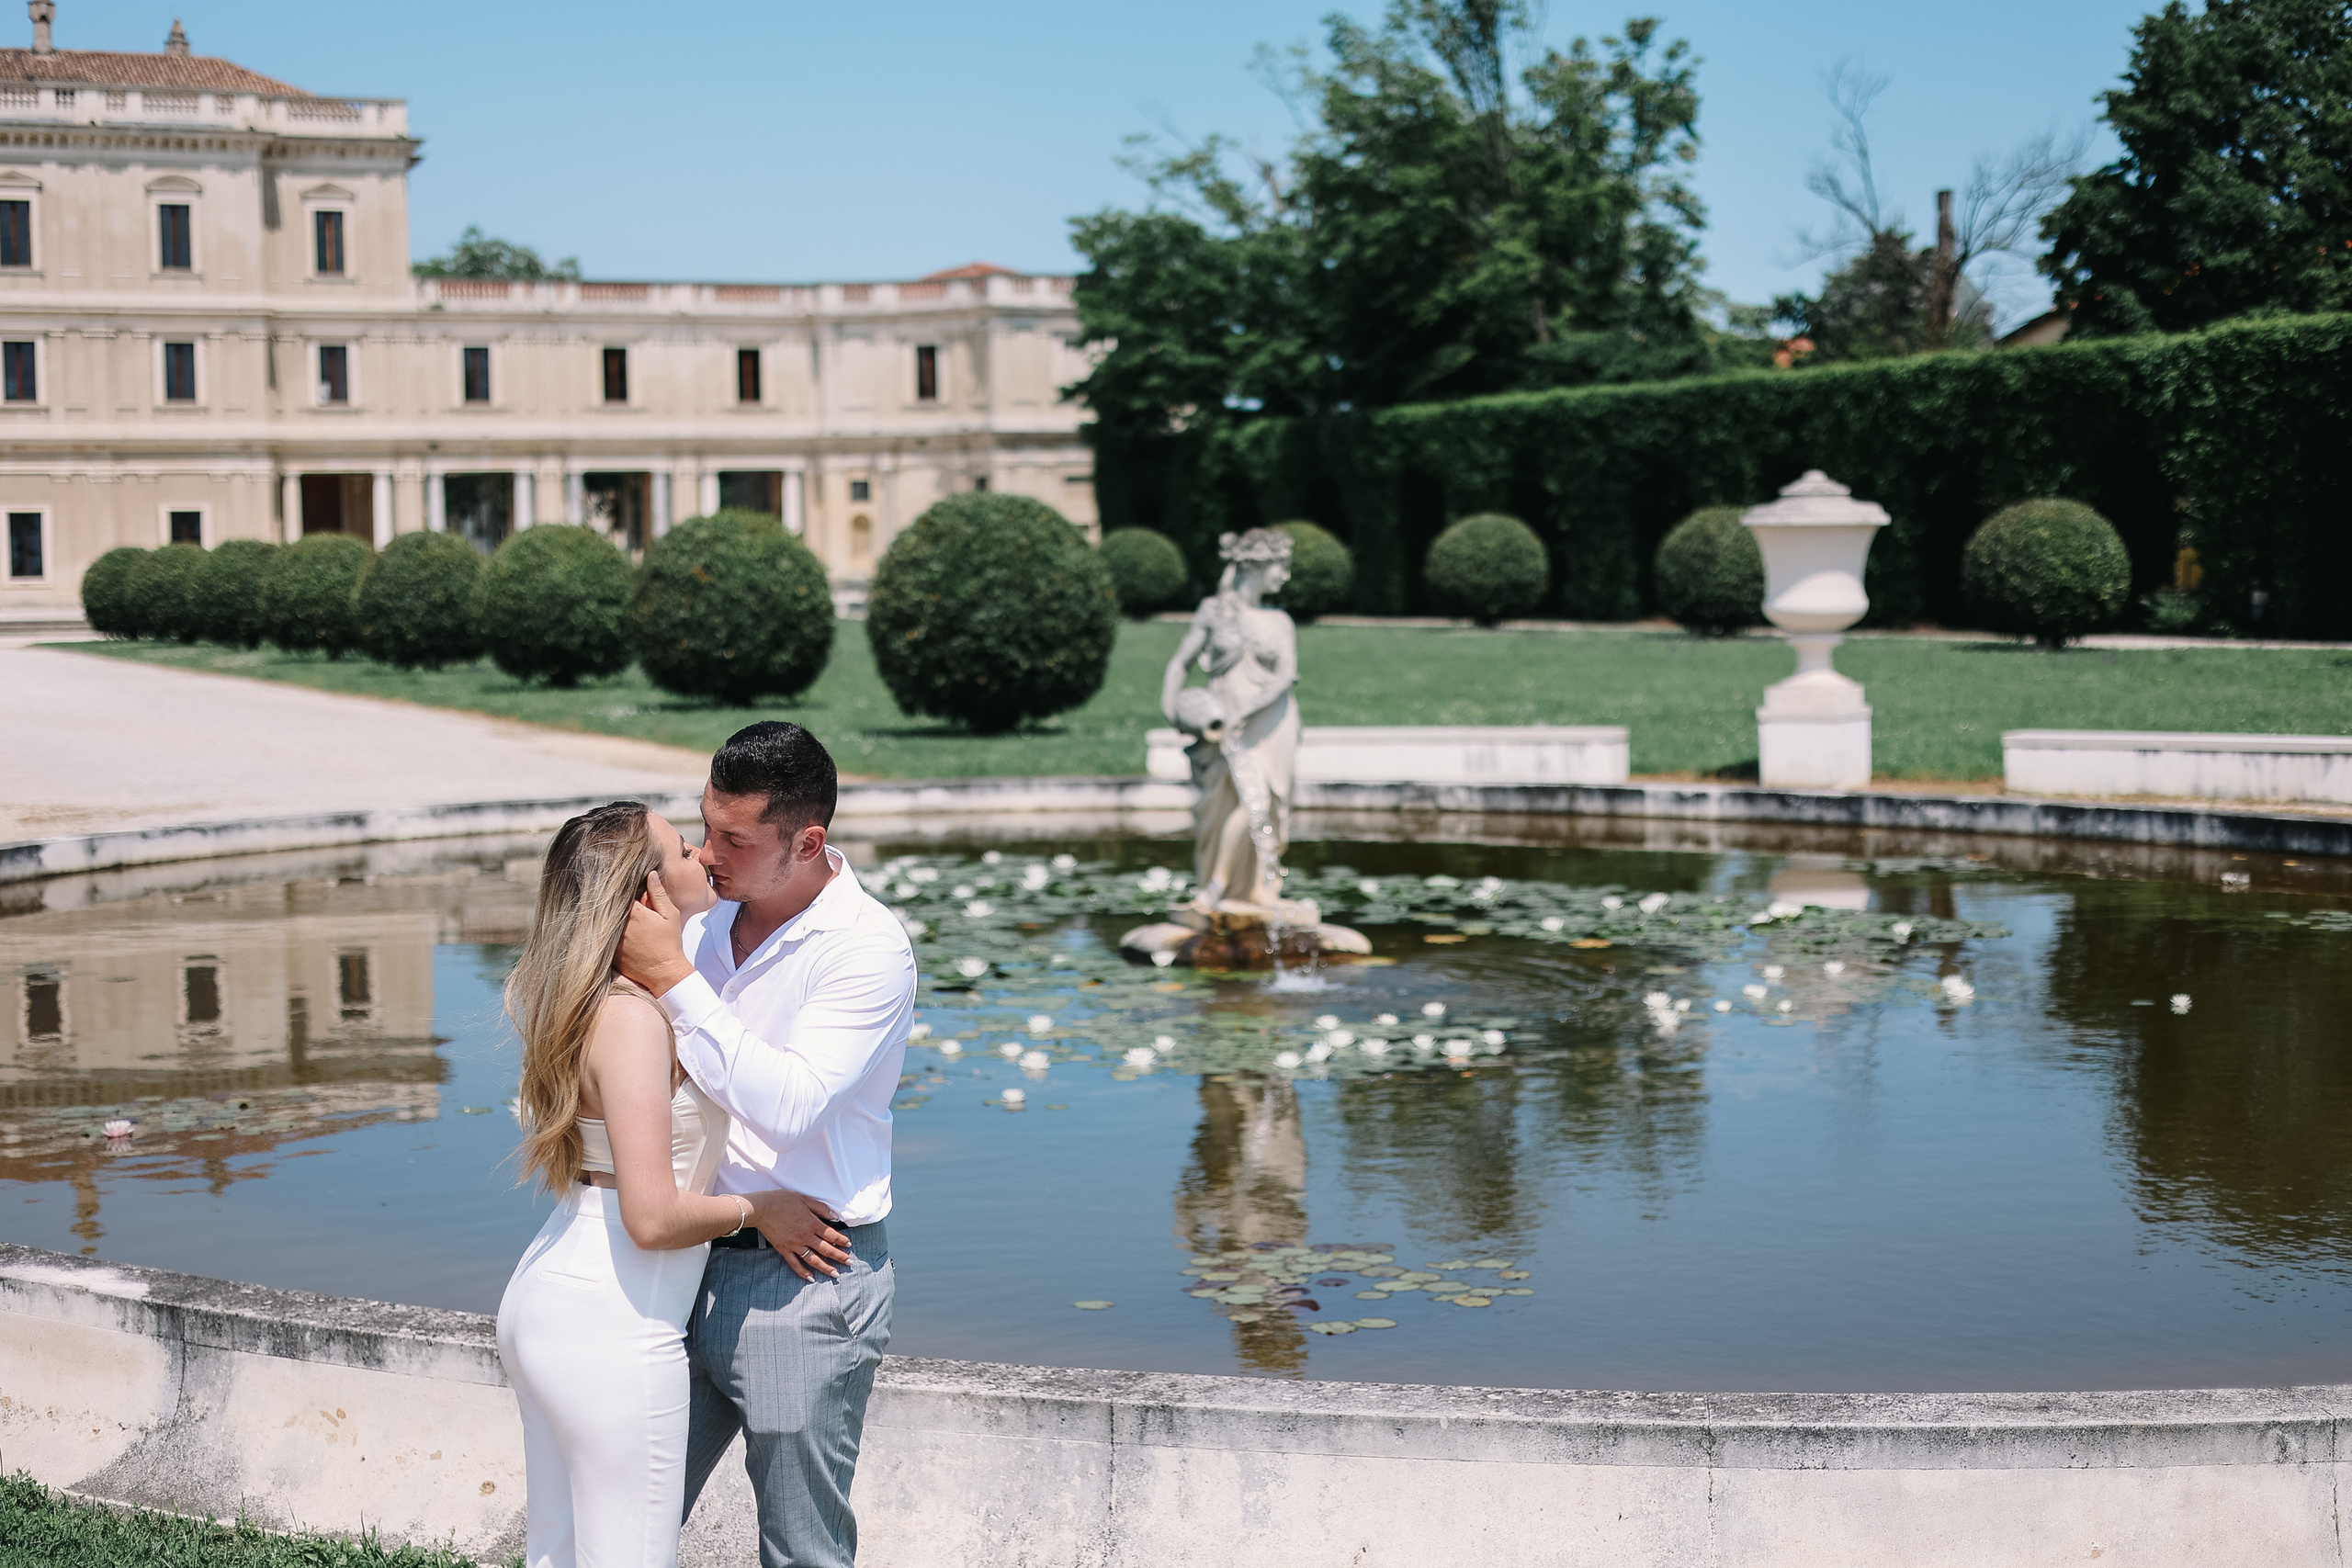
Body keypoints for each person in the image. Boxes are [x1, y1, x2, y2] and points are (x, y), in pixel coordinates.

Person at [495, 801, 844, 1568]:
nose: (705, 858)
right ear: (648, 891)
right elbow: (650, 1217)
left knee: (558, 1553)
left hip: (557, 1295)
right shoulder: (632, 1020)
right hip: (614, 1320)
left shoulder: (598, 997)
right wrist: (762, 1208)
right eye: (687, 849)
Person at [617, 720, 916, 1568]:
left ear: (808, 841)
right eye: (704, 827)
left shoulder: (867, 949)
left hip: (807, 1280)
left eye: (735, 839)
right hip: (679, 1257)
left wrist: (672, 977)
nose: (708, 854)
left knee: (801, 1552)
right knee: (623, 1520)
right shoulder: (704, 920)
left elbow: (788, 1106)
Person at [1160, 527, 1301, 908]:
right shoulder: (1215, 611)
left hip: (1272, 724)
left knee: (1270, 805)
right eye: (1280, 567)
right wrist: (1172, 708)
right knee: (1243, 802)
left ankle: (1259, 889)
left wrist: (1244, 711)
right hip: (1228, 728)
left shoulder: (1281, 621)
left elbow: (1285, 674)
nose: (1285, 576)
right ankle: (1217, 885)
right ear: (1257, 565)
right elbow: (1180, 662)